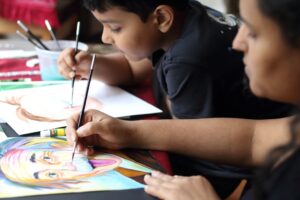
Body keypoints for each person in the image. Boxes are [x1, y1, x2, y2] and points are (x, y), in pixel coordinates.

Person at [65, 0, 300, 199]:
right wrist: (127, 132)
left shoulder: (190, 58)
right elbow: (254, 139)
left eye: (254, 32)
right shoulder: (185, 23)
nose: (238, 42)